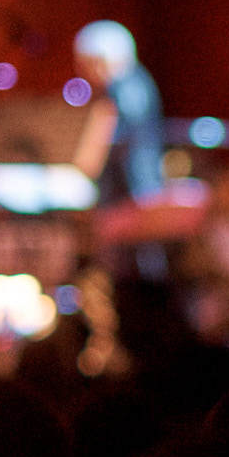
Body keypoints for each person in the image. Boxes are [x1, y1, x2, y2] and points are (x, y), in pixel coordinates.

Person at [76, 19, 168, 280]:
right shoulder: (133, 83)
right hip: (134, 191)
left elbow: (117, 138)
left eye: (87, 63)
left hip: (133, 192)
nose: (84, 73)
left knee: (136, 265)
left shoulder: (126, 87)